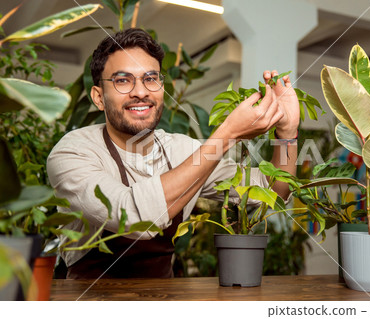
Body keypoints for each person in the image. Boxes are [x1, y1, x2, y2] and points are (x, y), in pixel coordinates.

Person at [47, 28, 300, 279]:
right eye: (123, 80)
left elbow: (275, 192)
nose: (141, 91)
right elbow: (135, 217)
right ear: (99, 97)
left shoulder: (182, 150)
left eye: (151, 78)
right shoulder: (74, 152)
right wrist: (227, 135)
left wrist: (287, 134)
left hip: (164, 300)